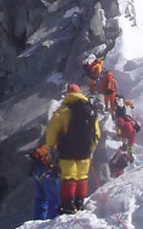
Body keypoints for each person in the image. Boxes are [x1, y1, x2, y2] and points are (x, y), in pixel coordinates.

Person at [46, 84, 100, 214]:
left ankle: (68, 205)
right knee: (82, 176)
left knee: (69, 176)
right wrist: (91, 147)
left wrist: (50, 146)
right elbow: (96, 133)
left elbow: (52, 131)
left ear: (68, 94)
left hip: (67, 150)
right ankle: (79, 202)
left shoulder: (63, 110)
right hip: (84, 151)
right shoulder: (89, 110)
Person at [31, 144, 60, 220]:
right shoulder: (58, 143)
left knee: (40, 199)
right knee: (53, 199)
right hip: (49, 172)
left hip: (38, 170)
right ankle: (53, 220)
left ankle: (38, 221)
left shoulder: (46, 143)